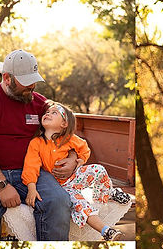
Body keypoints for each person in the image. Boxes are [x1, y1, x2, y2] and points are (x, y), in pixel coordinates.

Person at [0, 49, 73, 241]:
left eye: (34, 78)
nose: (32, 85)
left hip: (28, 172)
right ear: (6, 78)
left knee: (59, 201)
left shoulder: (39, 104)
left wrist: (72, 159)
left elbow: (66, 132)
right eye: (26, 80)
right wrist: (2, 185)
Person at [22, 100, 130, 241]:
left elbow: (84, 148)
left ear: (64, 124)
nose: (48, 114)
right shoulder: (36, 143)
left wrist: (80, 161)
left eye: (54, 112)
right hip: (60, 187)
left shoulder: (69, 139)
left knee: (98, 170)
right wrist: (31, 187)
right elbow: (31, 165)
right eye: (47, 112)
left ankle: (107, 193)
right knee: (80, 205)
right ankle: (106, 231)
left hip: (75, 177)